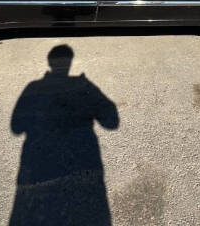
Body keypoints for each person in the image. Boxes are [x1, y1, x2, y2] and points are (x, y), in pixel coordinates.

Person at [9, 44, 119, 226]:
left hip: (37, 174)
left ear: (49, 63)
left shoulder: (33, 87)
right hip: (83, 170)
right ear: (70, 62)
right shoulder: (83, 84)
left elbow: (16, 127)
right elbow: (112, 122)